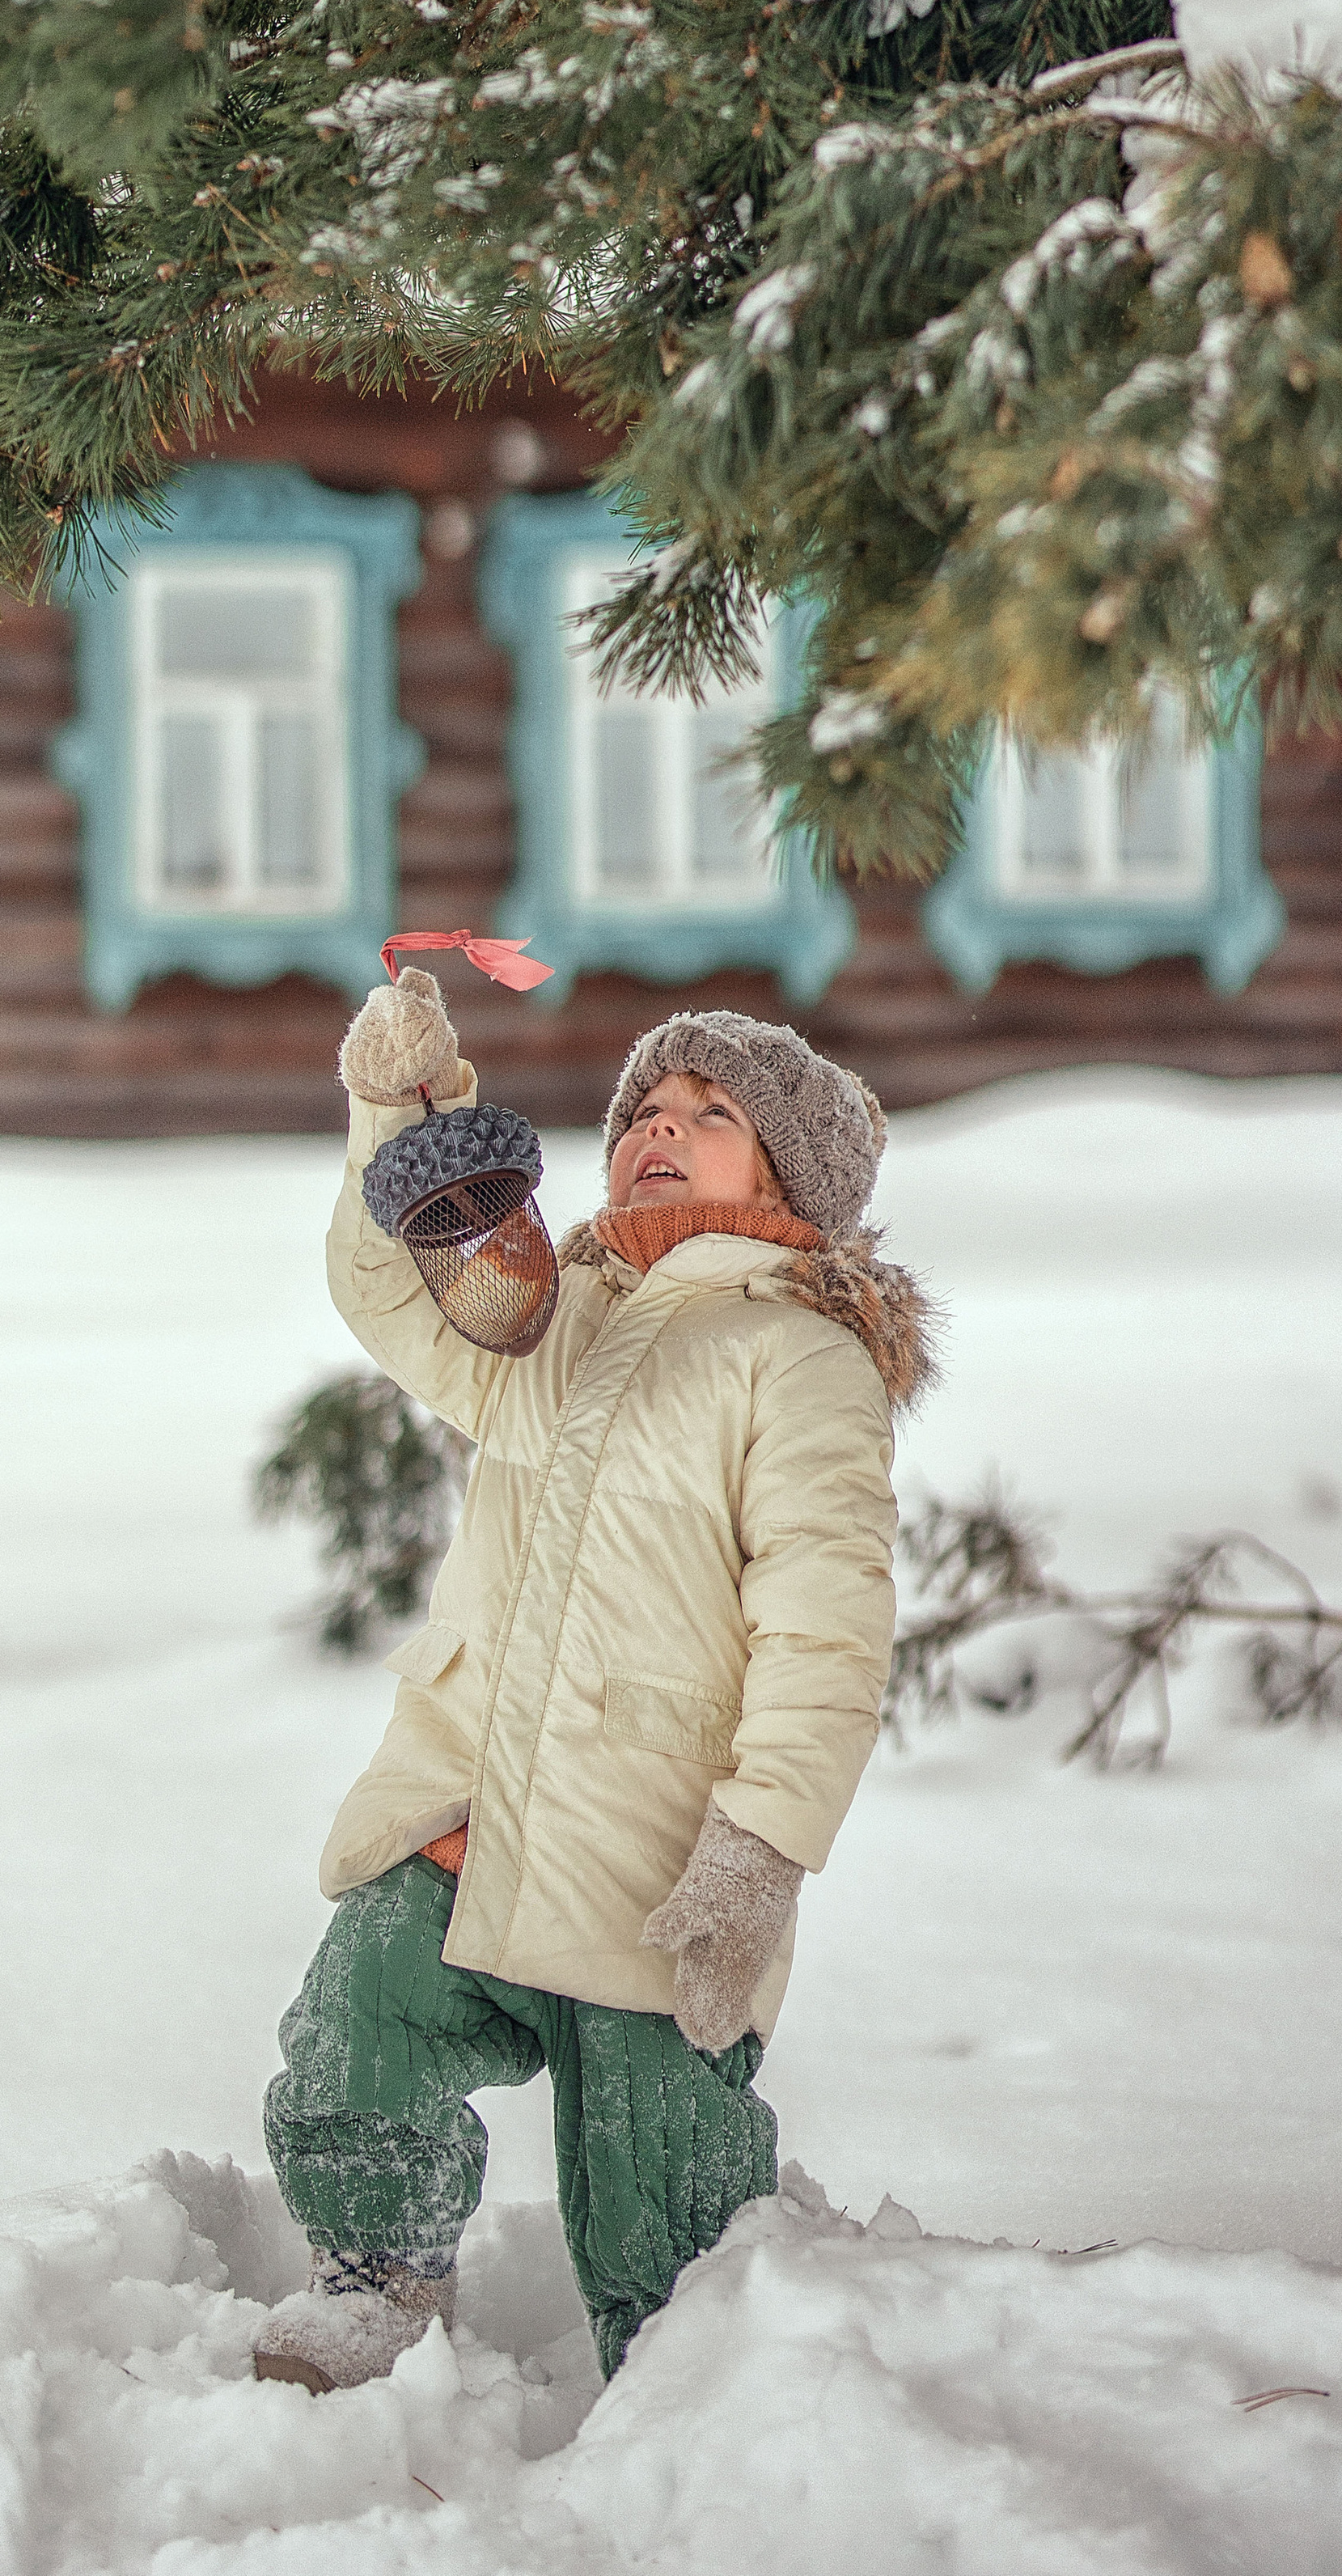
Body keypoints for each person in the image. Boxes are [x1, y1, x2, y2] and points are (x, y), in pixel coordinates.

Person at [252, 972, 938, 2391]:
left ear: (792, 1175)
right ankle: (375, 2274)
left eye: (711, 1112)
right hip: (476, 1803)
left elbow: (828, 1632)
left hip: (656, 1853)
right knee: (355, 2022)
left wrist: (761, 1849)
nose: (659, 1128)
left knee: (658, 2179)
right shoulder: (551, 1320)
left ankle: (685, 2379)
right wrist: (400, 1110)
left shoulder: (799, 1358)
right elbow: (396, 1295)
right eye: (643, 1107)